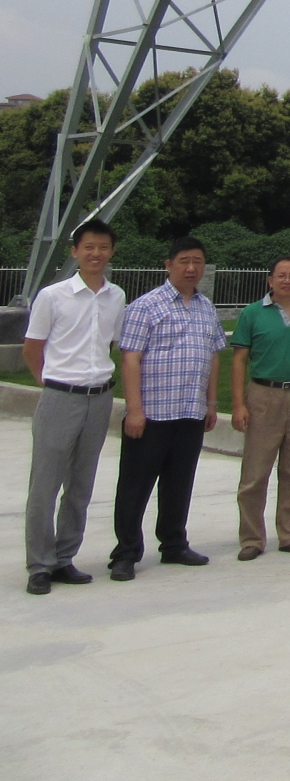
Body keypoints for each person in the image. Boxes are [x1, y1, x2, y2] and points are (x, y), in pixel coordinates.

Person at [108, 237, 227, 581]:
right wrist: (134, 409)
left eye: (198, 262)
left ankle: (173, 543)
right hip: (152, 413)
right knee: (135, 484)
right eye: (185, 261)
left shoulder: (206, 307)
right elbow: (130, 357)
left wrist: (211, 402)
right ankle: (126, 552)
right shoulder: (145, 306)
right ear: (169, 265)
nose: (192, 268)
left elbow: (213, 354)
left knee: (179, 482)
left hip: (190, 411)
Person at [22, 220, 125, 594]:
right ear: (75, 251)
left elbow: (109, 346)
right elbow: (33, 348)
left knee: (80, 485)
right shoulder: (53, 296)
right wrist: (50, 384)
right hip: (59, 397)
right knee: (45, 485)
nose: (95, 254)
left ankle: (65, 558)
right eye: (88, 247)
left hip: (98, 399)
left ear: (111, 252)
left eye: (103, 247)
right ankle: (39, 565)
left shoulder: (117, 296)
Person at [230, 255, 290, 560]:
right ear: (270, 280)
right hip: (264, 395)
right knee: (255, 472)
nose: (287, 280)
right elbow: (239, 359)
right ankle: (252, 538)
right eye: (281, 275)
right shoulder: (252, 314)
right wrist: (238, 405)